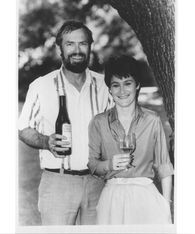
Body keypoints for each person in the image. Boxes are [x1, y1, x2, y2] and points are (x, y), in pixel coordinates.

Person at [18, 20, 113, 225]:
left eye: (83, 43)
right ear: (59, 48)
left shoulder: (105, 86)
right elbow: (23, 129)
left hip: (98, 183)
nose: (77, 50)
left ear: (90, 46)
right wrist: (46, 142)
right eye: (70, 44)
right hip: (57, 184)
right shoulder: (41, 86)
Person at [88, 55, 174, 225]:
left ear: (137, 85)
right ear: (110, 89)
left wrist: (166, 204)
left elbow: (164, 167)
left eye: (127, 83)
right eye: (115, 85)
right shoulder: (98, 122)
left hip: (146, 197)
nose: (122, 91)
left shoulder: (152, 120)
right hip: (112, 198)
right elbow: (92, 165)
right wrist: (109, 165)